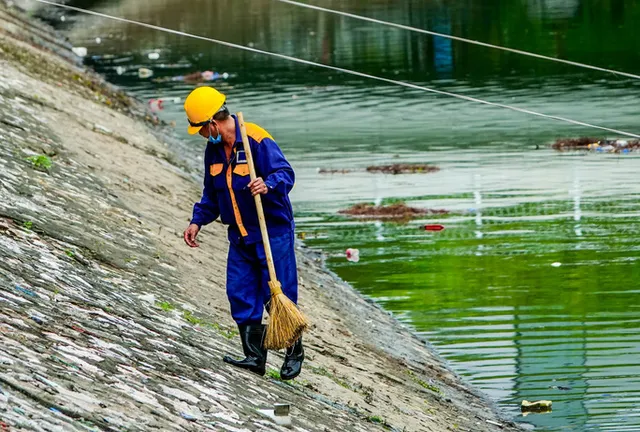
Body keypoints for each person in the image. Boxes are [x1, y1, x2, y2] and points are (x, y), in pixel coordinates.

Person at [182, 86, 304, 380]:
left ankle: (293, 350)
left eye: (200, 129)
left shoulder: (256, 140)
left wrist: (267, 184)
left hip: (271, 230)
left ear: (212, 122)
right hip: (239, 235)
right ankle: (254, 356)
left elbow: (286, 174)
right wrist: (197, 221)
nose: (201, 135)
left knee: (278, 293)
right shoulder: (213, 152)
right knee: (239, 291)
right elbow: (212, 194)